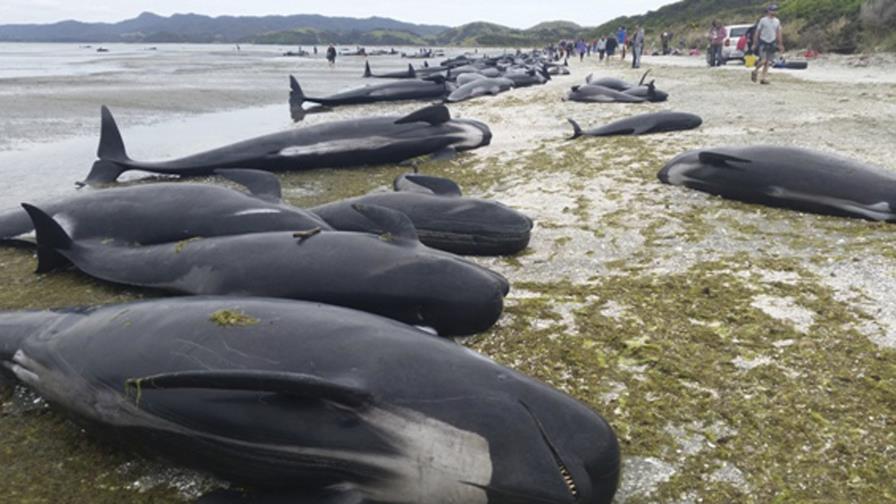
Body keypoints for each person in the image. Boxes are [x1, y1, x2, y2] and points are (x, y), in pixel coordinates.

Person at [752, 4, 784, 84]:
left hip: (772, 42)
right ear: (768, 11)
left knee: (768, 62)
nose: (774, 12)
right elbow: (757, 32)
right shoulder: (763, 20)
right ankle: (755, 70)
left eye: (775, 10)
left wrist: (780, 44)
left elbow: (778, 33)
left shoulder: (777, 21)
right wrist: (755, 43)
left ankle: (763, 78)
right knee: (763, 60)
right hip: (763, 41)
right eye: (772, 10)